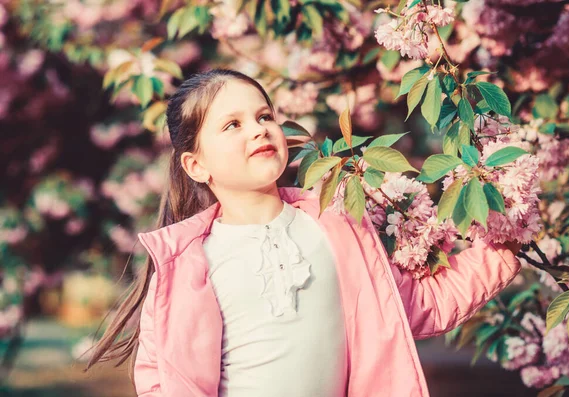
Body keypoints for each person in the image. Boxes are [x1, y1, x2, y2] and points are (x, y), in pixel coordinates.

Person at [86, 69, 522, 397]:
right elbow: (159, 378)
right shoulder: (185, 265)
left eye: (264, 115)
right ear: (197, 166)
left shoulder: (336, 224)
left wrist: (506, 239)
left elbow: (414, 305)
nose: (258, 128)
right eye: (232, 124)